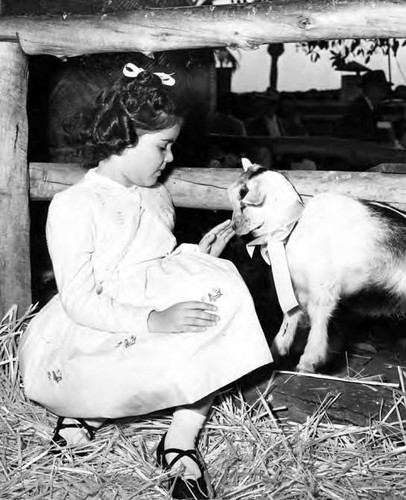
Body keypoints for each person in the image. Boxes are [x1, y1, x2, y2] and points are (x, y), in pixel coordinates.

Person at [18, 63, 273, 500]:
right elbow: (80, 299)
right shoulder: (74, 205)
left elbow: (155, 253)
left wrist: (196, 257)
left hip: (152, 292)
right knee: (100, 364)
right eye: (163, 147)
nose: (170, 159)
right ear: (122, 138)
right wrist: (154, 319)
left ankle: (180, 440)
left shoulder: (154, 190)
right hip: (104, 314)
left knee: (220, 298)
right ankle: (84, 415)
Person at [341, 69, 393, 143]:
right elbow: (366, 134)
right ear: (369, 89)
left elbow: (379, 124)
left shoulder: (374, 108)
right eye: (380, 88)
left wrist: (390, 126)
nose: (384, 92)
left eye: (384, 88)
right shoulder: (358, 109)